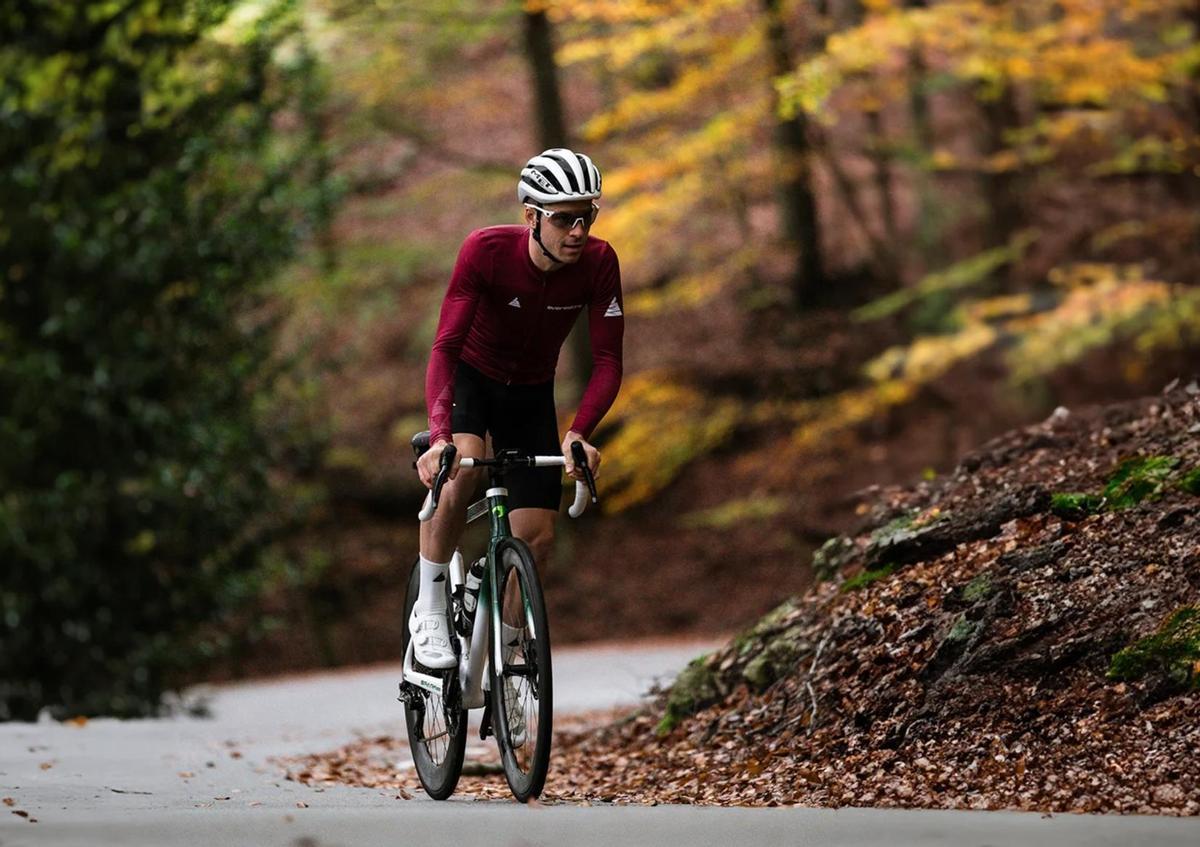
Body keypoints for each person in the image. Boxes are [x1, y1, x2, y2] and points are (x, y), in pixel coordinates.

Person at [410, 148, 624, 670]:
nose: (578, 230)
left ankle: (507, 649)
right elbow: (444, 347)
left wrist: (578, 433)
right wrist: (439, 435)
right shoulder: (485, 251)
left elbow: (608, 360)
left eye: (587, 215)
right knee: (461, 466)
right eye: (564, 218)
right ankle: (431, 606)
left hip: (530, 394)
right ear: (531, 216)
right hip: (472, 380)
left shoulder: (598, 262)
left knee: (539, 537)